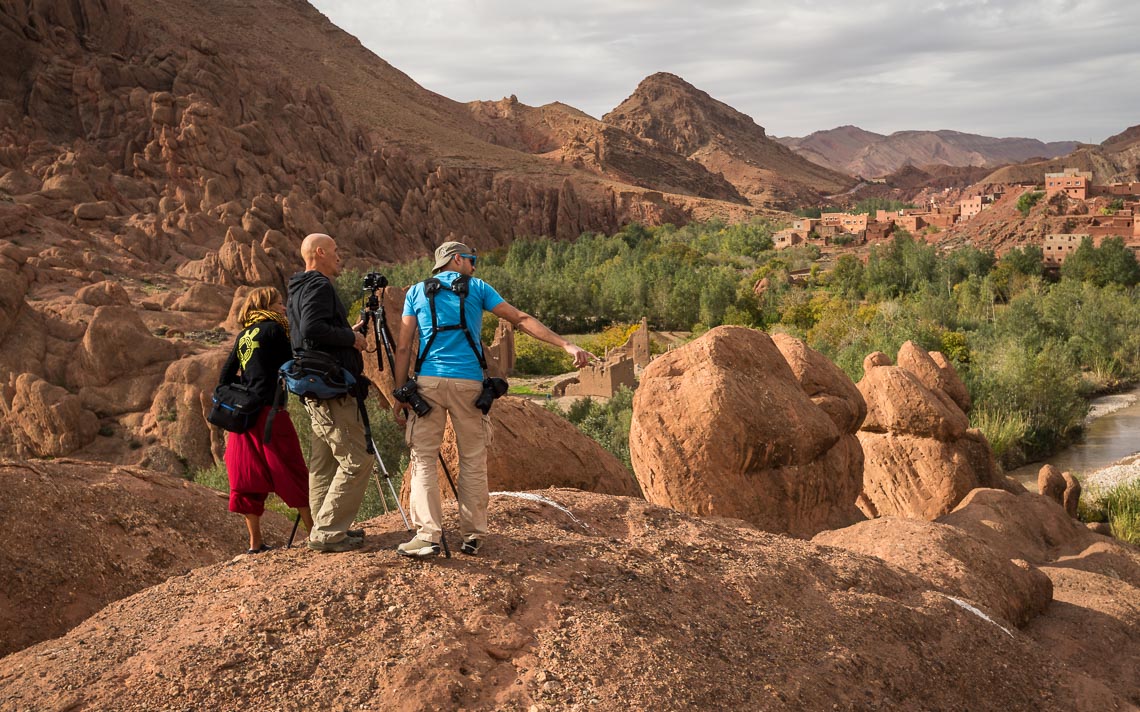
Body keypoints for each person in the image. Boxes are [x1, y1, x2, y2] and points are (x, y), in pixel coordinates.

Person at [393, 240, 595, 558]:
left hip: (428, 385)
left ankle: (427, 536)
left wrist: (399, 391)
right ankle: (472, 535)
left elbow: (403, 347)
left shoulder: (417, 292)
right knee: (472, 460)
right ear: (457, 259)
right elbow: (521, 319)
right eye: (471, 260)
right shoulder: (478, 288)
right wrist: (566, 345)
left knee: (423, 461)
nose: (474, 266)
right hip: (469, 384)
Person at [287, 233, 371, 553]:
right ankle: (328, 532)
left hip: (314, 388)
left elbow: (310, 335)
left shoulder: (298, 286)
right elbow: (312, 329)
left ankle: (326, 527)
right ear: (319, 253)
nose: (339, 257)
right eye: (335, 251)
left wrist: (346, 332)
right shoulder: (320, 286)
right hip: (330, 390)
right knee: (356, 459)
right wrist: (350, 340)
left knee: (323, 463)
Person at [219, 287, 314, 554]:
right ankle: (315, 532)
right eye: (280, 303)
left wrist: (248, 388)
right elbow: (293, 363)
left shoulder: (243, 335)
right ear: (267, 305)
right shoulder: (274, 329)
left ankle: (255, 544)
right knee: (291, 469)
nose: (284, 308)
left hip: (244, 419)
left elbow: (224, 379)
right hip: (271, 416)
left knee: (247, 479)